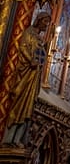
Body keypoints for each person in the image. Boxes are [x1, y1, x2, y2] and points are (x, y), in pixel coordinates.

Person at [2, 11, 51, 146]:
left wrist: (47, 46)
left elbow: (41, 55)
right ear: (39, 20)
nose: (46, 25)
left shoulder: (40, 39)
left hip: (34, 76)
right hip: (26, 73)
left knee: (28, 106)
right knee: (20, 102)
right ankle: (9, 138)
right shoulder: (29, 32)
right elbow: (23, 48)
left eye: (48, 22)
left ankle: (18, 138)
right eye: (45, 21)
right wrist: (30, 60)